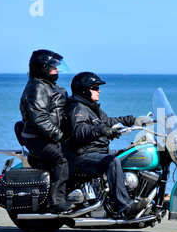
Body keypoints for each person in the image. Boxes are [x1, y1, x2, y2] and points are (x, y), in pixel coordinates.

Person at [65, 72, 150, 218]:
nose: (99, 90)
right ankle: (125, 206)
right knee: (112, 161)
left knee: (128, 153)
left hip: (98, 150)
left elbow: (109, 122)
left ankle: (127, 195)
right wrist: (101, 130)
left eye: (98, 87)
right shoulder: (77, 108)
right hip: (83, 155)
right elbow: (79, 132)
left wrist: (134, 120)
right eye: (95, 87)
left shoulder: (91, 107)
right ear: (83, 90)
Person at [19, 49, 74, 213]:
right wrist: (60, 136)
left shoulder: (49, 85)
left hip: (46, 136)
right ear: (42, 68)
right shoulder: (37, 88)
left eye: (57, 66)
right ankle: (56, 202)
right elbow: (40, 119)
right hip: (37, 137)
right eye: (53, 66)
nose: (57, 69)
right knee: (62, 159)